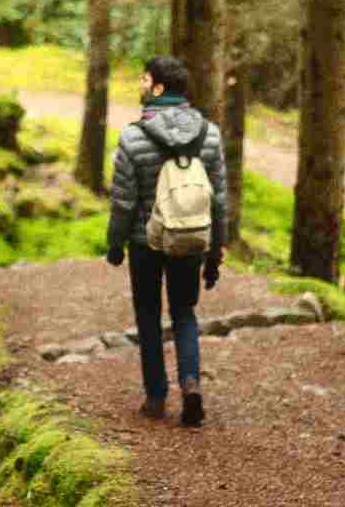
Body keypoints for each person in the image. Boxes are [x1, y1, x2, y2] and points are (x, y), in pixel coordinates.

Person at [106, 56, 226, 427]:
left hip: (146, 242)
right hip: (191, 240)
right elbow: (218, 197)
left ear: (157, 88)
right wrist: (215, 249)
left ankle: (156, 398)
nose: (140, 84)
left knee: (148, 315)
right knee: (185, 313)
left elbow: (123, 201)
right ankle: (191, 385)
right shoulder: (210, 135)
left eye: (144, 79)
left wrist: (115, 243)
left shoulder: (132, 136)